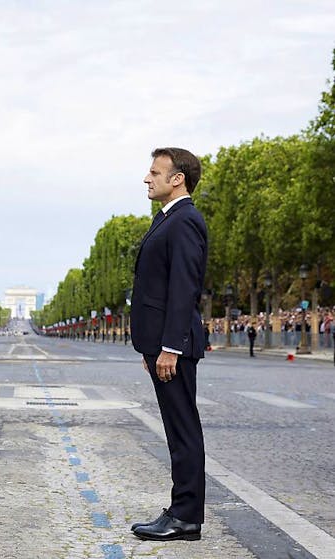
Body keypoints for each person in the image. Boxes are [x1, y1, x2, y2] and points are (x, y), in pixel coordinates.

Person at [129, 147, 208, 541]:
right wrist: (154, 345)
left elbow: (183, 287)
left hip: (174, 346)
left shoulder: (183, 221)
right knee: (178, 430)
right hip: (162, 343)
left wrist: (170, 347)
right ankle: (182, 510)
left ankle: (186, 516)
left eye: (155, 172)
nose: (147, 178)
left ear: (177, 178)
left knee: (183, 431)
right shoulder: (170, 219)